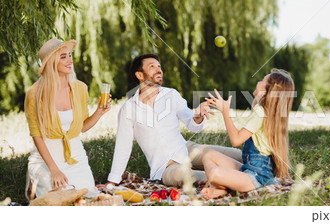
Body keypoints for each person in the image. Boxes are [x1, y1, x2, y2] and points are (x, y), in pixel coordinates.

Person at [105, 54, 242, 187]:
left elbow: (193, 125)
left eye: (159, 66)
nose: (159, 70)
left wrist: (198, 115)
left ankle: (258, 171)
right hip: (165, 167)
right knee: (202, 176)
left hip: (186, 150)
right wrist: (112, 181)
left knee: (237, 155)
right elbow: (123, 146)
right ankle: (245, 180)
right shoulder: (128, 109)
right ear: (139, 75)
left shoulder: (171, 94)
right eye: (152, 66)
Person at [25, 38, 111, 198]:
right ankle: (35, 184)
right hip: (46, 161)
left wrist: (99, 112)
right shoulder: (35, 93)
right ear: (51, 62)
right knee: (60, 202)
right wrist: (54, 169)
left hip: (75, 156)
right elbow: (36, 135)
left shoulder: (80, 88)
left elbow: (81, 128)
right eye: (63, 57)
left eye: (70, 55)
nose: (69, 60)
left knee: (88, 198)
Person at [201, 68, 295, 199]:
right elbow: (256, 105)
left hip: (256, 178)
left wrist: (225, 111)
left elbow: (236, 140)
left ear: (267, 91)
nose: (258, 82)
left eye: (262, 81)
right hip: (251, 170)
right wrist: (257, 98)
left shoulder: (261, 112)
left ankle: (223, 187)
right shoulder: (266, 112)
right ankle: (223, 188)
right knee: (209, 155)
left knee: (214, 174)